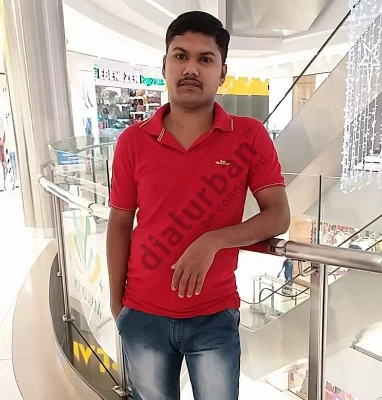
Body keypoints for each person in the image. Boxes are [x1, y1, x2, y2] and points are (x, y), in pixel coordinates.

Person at [106, 11, 290, 400]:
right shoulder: (133, 141)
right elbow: (120, 222)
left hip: (214, 315)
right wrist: (116, 303)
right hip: (142, 313)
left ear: (222, 72)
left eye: (205, 58)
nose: (191, 68)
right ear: (165, 65)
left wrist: (213, 240)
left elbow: (278, 215)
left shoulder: (249, 136)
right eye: (180, 56)